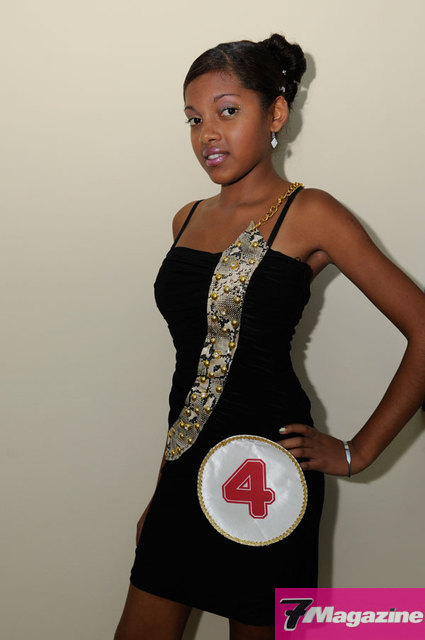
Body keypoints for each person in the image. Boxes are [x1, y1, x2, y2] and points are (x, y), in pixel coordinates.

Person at [114, 34, 425, 640]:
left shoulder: (311, 213)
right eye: (194, 118)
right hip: (185, 474)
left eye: (228, 111)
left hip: (269, 480)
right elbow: (194, 372)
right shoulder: (186, 219)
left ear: (276, 113)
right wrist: (163, 490)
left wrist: (357, 452)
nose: (208, 134)